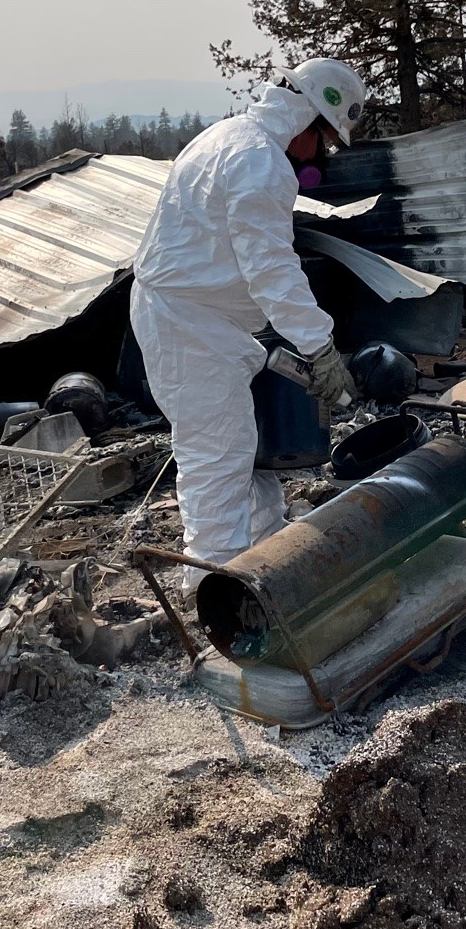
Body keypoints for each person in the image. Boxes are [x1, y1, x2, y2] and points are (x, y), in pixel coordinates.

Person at [130, 58, 368, 579]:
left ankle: (267, 553)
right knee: (218, 456)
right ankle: (217, 586)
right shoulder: (261, 162)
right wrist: (320, 346)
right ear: (308, 116)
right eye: (325, 139)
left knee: (245, 448)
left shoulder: (229, 136)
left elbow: (244, 262)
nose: (320, 154)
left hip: (198, 316)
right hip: (189, 323)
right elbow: (271, 269)